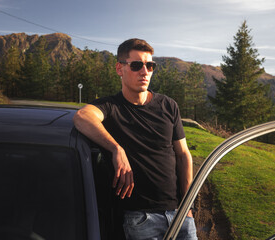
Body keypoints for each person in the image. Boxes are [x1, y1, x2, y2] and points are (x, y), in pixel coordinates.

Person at [73, 38, 197, 239]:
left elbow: (183, 155)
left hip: (180, 214)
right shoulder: (112, 107)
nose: (145, 71)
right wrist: (116, 149)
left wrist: (188, 207)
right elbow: (82, 117)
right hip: (140, 219)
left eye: (150, 65)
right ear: (119, 69)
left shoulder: (168, 105)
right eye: (137, 65)